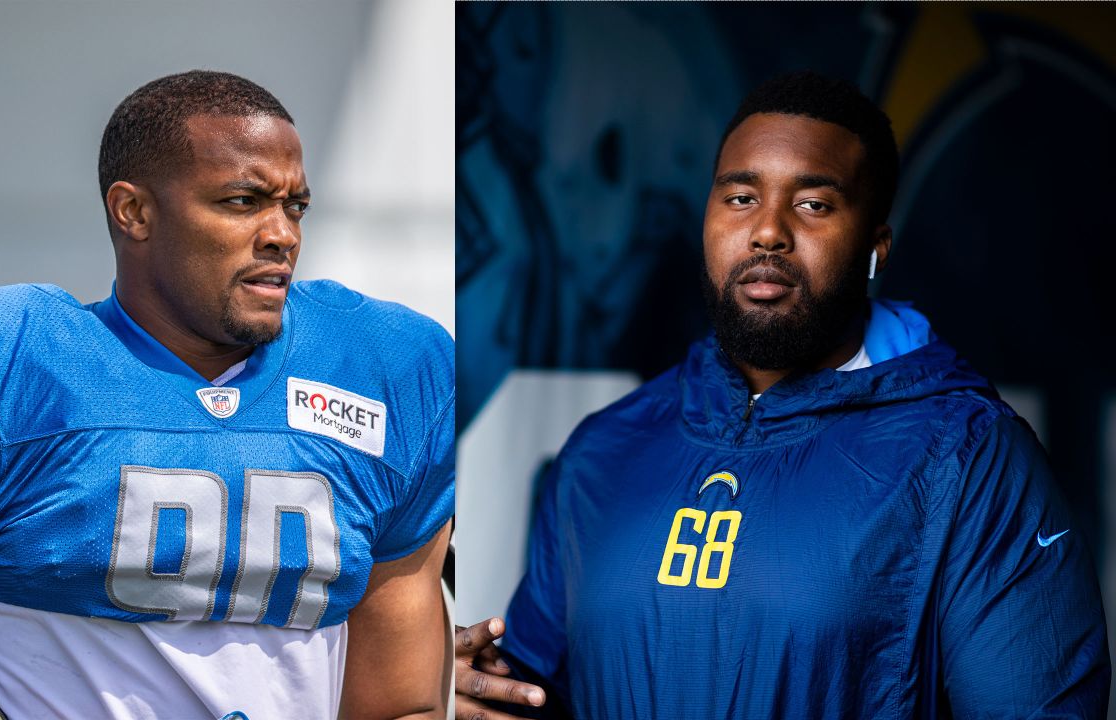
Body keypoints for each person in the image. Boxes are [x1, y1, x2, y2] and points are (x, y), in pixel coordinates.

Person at [455, 71, 1109, 719]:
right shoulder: (604, 448)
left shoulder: (970, 458)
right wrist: (475, 691)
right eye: (741, 197)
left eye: (813, 204)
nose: (768, 231)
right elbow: (537, 696)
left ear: (876, 245)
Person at [0, 70, 453, 720]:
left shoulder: (387, 371)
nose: (283, 234)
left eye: (294, 205)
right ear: (134, 211)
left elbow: (399, 705)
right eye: (243, 201)